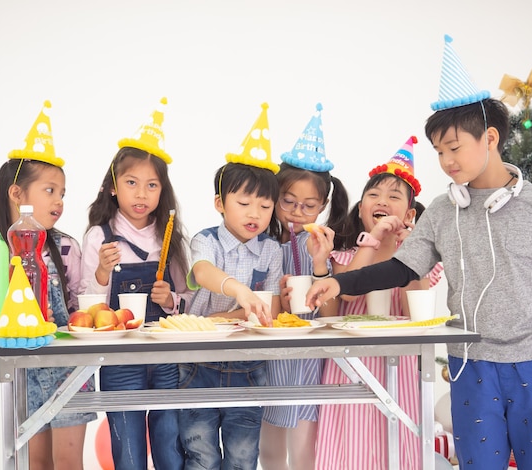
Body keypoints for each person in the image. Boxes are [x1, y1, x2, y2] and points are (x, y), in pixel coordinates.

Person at [307, 36, 532, 469]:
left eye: (454, 148)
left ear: (490, 137)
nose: (447, 161)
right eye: (438, 152)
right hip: (470, 363)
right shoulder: (442, 211)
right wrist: (335, 280)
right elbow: (399, 268)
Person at [315, 136, 442, 470]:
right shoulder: (344, 256)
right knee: (350, 442)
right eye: (373, 195)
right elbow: (350, 291)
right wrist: (372, 240)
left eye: (393, 196)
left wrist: (412, 252)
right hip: (350, 365)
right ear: (361, 209)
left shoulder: (423, 258)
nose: (381, 200)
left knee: (399, 439)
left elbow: (419, 304)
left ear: (410, 213)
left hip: (399, 366)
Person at [80, 100, 192, 470]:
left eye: (151, 185)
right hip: (120, 358)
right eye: (131, 183)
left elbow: (190, 298)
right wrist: (100, 274)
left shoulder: (169, 237)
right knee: (127, 446)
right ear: (113, 187)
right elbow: (86, 310)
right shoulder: (100, 236)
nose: (141, 194)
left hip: (164, 356)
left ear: (162, 191)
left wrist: (172, 299)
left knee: (169, 441)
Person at [0, 101, 97, 470]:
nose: (59, 201)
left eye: (63, 193)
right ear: (16, 194)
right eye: (50, 190)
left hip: (68, 365)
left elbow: (78, 304)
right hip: (25, 366)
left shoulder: (65, 245)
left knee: (68, 460)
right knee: (35, 461)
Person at [178, 103, 283, 470]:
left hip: (248, 364)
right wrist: (238, 290)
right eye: (244, 203)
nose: (255, 213)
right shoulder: (205, 241)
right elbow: (203, 271)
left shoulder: (271, 250)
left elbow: (265, 305)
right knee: (201, 453)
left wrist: (234, 312)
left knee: (242, 455)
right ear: (220, 203)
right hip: (196, 362)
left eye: (265, 206)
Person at [260, 104, 348, 470]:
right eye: (288, 202)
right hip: (267, 361)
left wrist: (319, 264)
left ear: (323, 205)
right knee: (269, 450)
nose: (297, 212)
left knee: (305, 453)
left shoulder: (324, 246)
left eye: (309, 205)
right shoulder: (262, 243)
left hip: (310, 360)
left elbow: (331, 314)